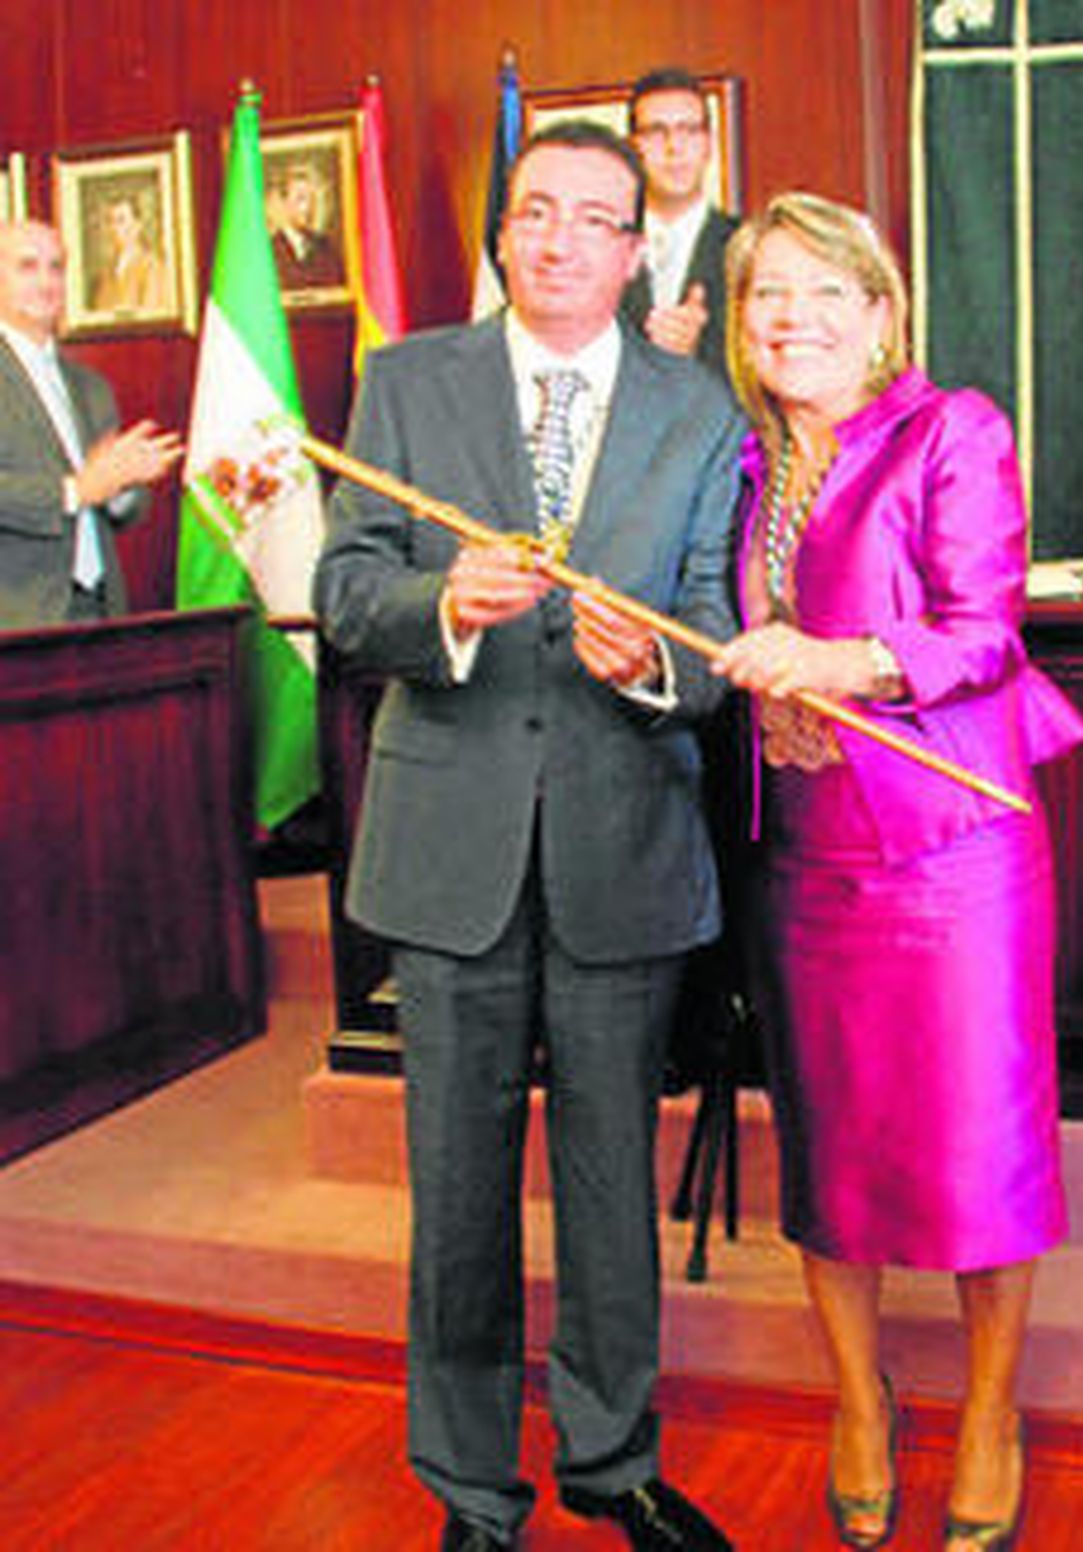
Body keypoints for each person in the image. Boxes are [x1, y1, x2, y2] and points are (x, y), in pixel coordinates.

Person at [314, 121, 742, 1552]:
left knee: (613, 1180)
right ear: (502, 234)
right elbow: (344, 585)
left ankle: (613, 1459)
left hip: (625, 840)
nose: (558, 241)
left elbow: (721, 632)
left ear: (636, 249)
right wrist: (440, 610)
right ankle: (471, 1490)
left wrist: (652, 669)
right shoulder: (406, 380)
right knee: (458, 1193)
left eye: (592, 220)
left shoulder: (701, 411)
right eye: (533, 215)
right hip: (452, 849)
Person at [712, 193, 1083, 1552]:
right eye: (767, 295)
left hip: (951, 851)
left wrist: (837, 664)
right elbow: (728, 633)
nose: (793, 317)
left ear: (881, 312)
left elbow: (980, 632)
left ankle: (993, 1408)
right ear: (742, 327)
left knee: (979, 1147)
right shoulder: (740, 457)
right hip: (804, 853)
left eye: (824, 291)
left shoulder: (953, 429)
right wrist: (760, 691)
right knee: (830, 1142)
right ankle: (860, 1398)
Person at [0, 219, 182, 628]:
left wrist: (122, 487)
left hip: (99, 610)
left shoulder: (90, 385)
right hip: (15, 620)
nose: (46, 282)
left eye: (57, 267)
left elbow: (122, 510)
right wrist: (76, 490)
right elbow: (79, 490)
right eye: (27, 267)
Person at [621, 67, 738, 376]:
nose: (674, 148)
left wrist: (694, 356)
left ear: (709, 144)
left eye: (689, 130)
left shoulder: (748, 246)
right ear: (632, 148)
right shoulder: (604, 248)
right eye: (656, 132)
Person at [89, 193, 174, 315]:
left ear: (137, 226)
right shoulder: (104, 276)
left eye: (121, 220)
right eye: (109, 221)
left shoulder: (152, 267)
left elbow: (150, 317)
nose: (114, 228)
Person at [267, 161, 343, 290]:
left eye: (312, 199)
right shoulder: (269, 250)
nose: (308, 207)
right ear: (284, 202)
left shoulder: (325, 247)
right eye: (300, 199)